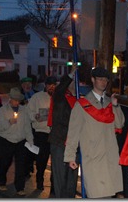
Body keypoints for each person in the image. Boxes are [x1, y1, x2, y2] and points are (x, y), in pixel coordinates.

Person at [64, 67, 125, 198]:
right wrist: (70, 156)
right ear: (93, 80)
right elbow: (73, 133)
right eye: (100, 79)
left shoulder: (110, 103)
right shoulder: (82, 104)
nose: (103, 82)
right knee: (97, 195)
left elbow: (119, 125)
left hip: (110, 157)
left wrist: (115, 106)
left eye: (106, 80)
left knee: (108, 195)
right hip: (93, 157)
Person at [0, 87, 34, 196]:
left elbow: (27, 127)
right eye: (15, 100)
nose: (17, 102)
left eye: (19, 100)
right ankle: (1, 181)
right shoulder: (2, 111)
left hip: (20, 141)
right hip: (6, 140)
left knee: (21, 165)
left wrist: (30, 140)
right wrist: (9, 122)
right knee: (5, 163)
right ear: (10, 99)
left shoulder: (24, 110)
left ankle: (20, 187)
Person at [48, 64, 79, 198]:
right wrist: (70, 75)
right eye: (73, 82)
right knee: (60, 176)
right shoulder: (60, 96)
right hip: (59, 142)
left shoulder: (78, 100)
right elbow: (60, 89)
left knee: (71, 178)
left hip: (73, 143)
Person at [27, 76, 57, 191]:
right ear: (46, 85)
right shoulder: (37, 97)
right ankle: (40, 180)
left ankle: (54, 184)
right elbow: (29, 113)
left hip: (55, 133)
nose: (52, 87)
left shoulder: (58, 97)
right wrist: (37, 116)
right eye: (49, 85)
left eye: (54, 85)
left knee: (55, 160)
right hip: (41, 132)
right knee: (41, 160)